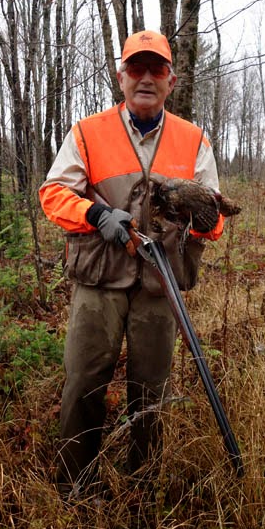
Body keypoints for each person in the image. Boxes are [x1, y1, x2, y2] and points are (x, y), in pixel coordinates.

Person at [39, 30, 224, 494]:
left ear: (171, 80)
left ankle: (143, 489)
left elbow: (214, 222)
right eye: (135, 68)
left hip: (160, 283)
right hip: (100, 278)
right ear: (120, 77)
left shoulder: (194, 140)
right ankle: (73, 489)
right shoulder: (88, 132)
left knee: (151, 392)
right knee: (83, 382)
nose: (145, 78)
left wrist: (190, 220)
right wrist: (97, 213)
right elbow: (53, 193)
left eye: (156, 69)